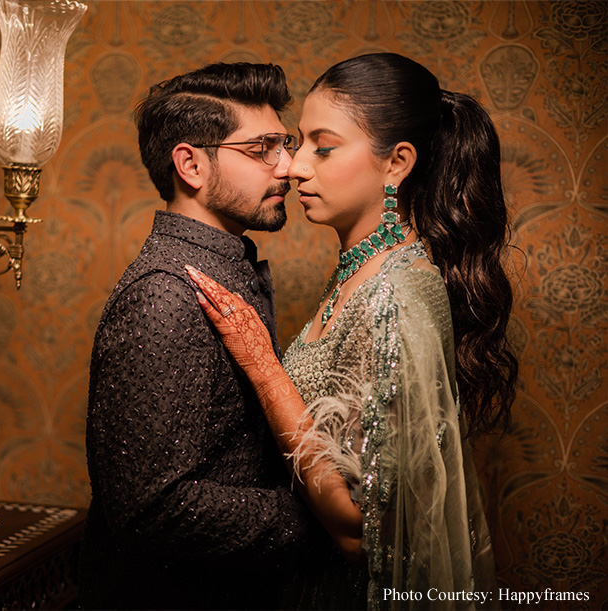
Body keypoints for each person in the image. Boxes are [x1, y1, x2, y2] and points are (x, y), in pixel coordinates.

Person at [188, 53, 518, 610]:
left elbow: (358, 527)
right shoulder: (362, 272)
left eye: (324, 146)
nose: (293, 167)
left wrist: (263, 365)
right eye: (299, 142)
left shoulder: (398, 295)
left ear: (397, 164)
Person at [79, 62, 315, 610]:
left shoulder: (220, 265)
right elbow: (152, 507)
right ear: (190, 165)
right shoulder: (165, 295)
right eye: (262, 149)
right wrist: (320, 517)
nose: (288, 167)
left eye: (286, 144)